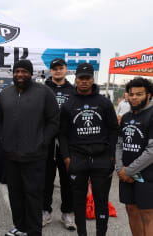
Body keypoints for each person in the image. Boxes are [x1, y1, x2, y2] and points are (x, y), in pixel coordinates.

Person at [0, 59, 59, 236]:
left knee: (33, 196)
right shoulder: (5, 94)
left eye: (24, 71)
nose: (20, 74)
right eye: (17, 71)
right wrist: (3, 140)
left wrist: (42, 141)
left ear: (31, 74)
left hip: (35, 156)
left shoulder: (44, 93)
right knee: (15, 195)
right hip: (11, 155)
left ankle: (33, 231)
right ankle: (20, 227)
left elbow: (54, 121)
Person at [59, 63, 118, 236]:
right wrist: (66, 157)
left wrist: (111, 154)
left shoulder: (104, 103)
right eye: (81, 78)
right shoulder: (68, 105)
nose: (84, 82)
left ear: (93, 80)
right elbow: (61, 134)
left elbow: (114, 129)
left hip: (101, 159)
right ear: (75, 80)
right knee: (78, 202)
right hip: (77, 159)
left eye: (88, 78)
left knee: (101, 201)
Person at [116, 77, 153, 236]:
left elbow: (152, 150)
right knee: (131, 210)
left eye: (139, 94)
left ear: (149, 95)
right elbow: (119, 144)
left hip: (147, 174)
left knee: (147, 214)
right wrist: (120, 170)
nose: (135, 97)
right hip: (125, 173)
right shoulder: (126, 117)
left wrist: (129, 171)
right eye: (131, 94)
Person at [42, 58, 76, 230]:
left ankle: (68, 213)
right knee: (46, 178)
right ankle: (45, 211)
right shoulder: (43, 88)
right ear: (51, 70)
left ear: (65, 70)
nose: (57, 71)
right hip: (47, 140)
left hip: (67, 141)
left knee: (67, 178)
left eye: (60, 68)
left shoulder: (73, 90)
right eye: (54, 68)